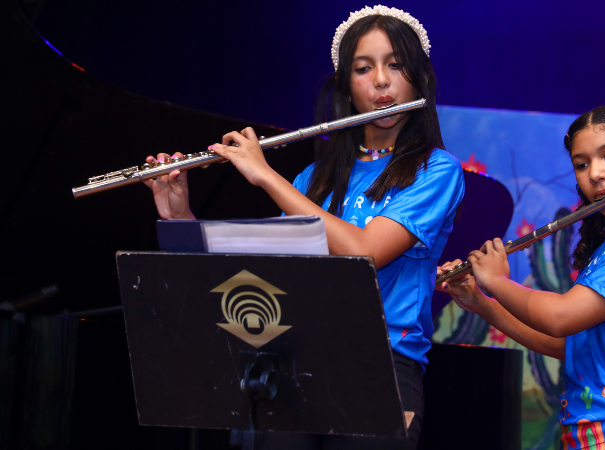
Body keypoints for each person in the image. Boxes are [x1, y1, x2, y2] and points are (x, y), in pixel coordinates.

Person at [145, 6, 464, 449]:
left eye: (396, 64)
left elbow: (365, 253)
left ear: (419, 79)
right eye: (363, 68)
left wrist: (265, 176)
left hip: (381, 368)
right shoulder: (311, 180)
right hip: (294, 366)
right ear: (346, 89)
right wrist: (179, 216)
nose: (381, 81)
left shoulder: (437, 171)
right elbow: (259, 278)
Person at [440, 102, 605, 449]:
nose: (595, 173)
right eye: (582, 164)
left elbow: (561, 317)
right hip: (597, 437)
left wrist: (498, 282)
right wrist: (482, 302)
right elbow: (572, 346)